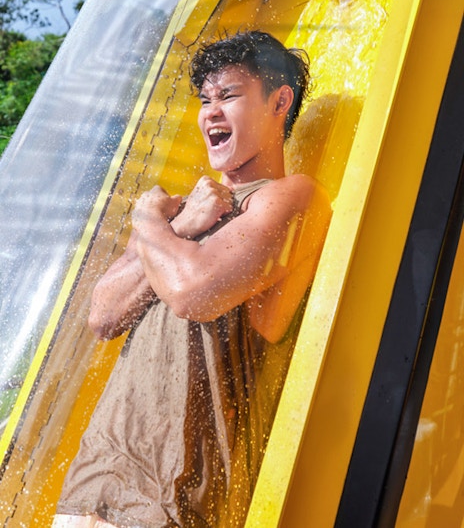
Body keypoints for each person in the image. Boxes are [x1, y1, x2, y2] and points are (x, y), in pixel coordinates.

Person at [52, 30, 332, 528]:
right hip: (89, 488)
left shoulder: (291, 197)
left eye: (228, 96)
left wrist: (146, 219)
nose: (210, 113)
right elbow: (102, 314)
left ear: (279, 102)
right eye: (205, 100)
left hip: (173, 503)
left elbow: (193, 293)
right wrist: (178, 226)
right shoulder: (179, 213)